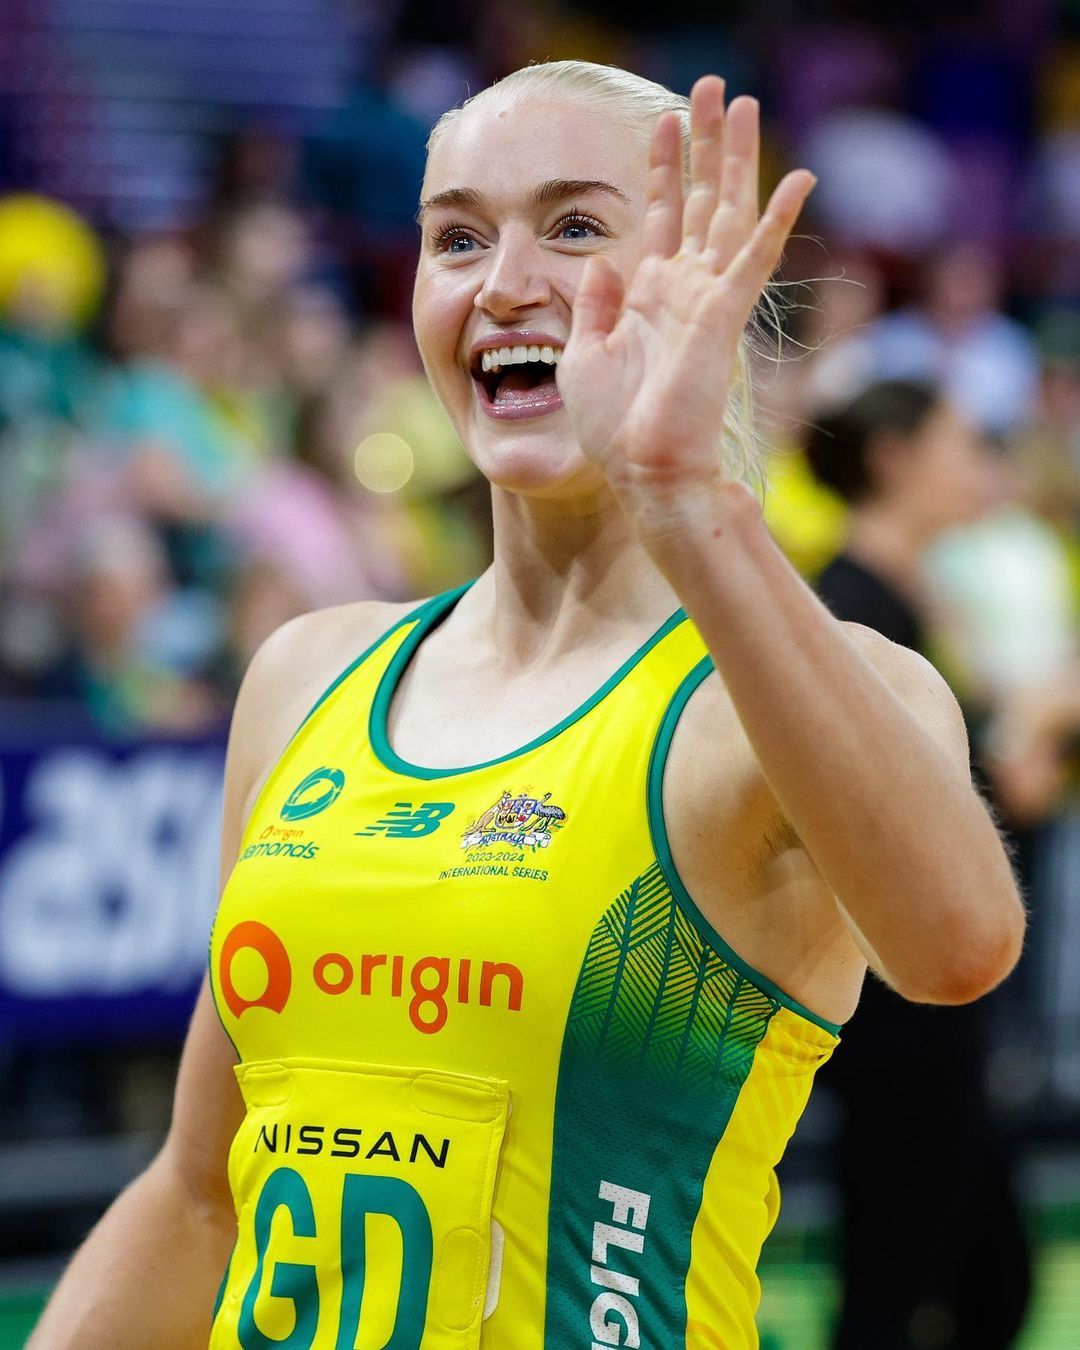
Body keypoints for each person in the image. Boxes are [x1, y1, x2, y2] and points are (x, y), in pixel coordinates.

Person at [31, 62, 1024, 1350]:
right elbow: (197, 1191)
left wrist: (683, 494)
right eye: (457, 238)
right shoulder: (307, 674)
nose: (502, 284)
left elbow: (958, 947)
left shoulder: (797, 689)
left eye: (574, 226)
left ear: (703, 277)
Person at [805, 379, 1032, 1349]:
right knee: (895, 1283)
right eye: (959, 443)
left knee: (991, 1276)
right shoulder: (851, 612)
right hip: (898, 1002)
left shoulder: (908, 597)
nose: (981, 468)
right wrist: (1033, 734)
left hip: (937, 1001)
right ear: (893, 458)